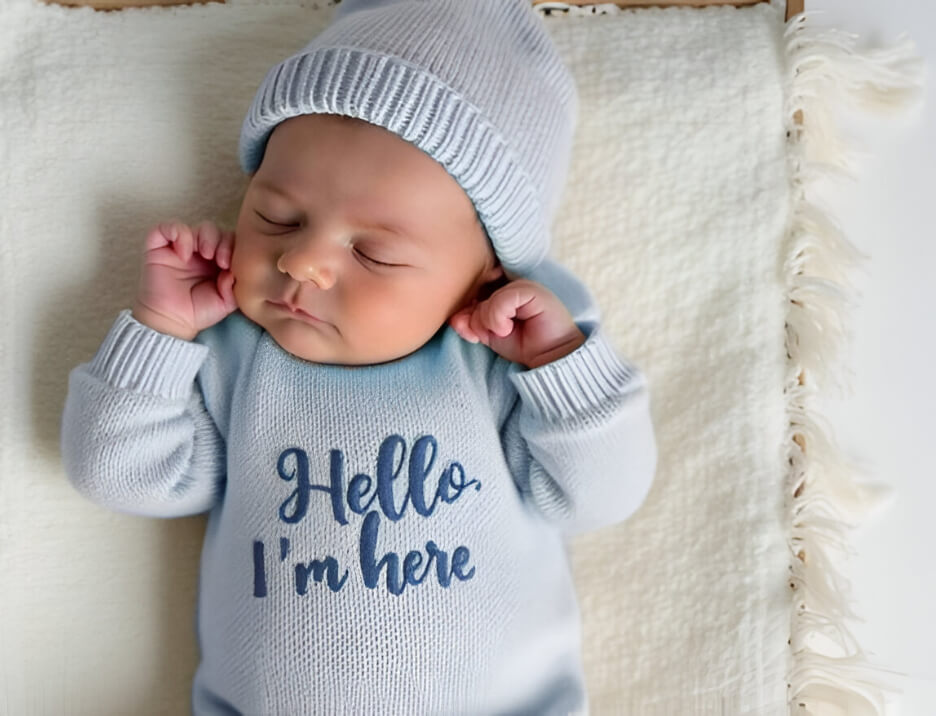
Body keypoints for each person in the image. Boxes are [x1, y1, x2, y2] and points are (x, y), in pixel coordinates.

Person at [60, 1, 658, 713]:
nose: (303, 260)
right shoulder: (234, 359)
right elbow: (119, 476)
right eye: (276, 218)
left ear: (485, 277)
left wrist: (560, 365)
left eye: (373, 251)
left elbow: (597, 497)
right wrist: (161, 331)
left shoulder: (494, 365)